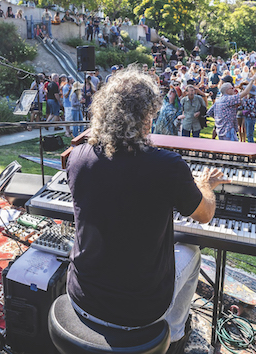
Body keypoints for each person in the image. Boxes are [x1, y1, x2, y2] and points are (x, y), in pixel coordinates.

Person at [66, 67, 228, 352]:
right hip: (137, 310)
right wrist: (205, 185)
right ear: (146, 116)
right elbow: (205, 214)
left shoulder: (77, 157)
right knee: (191, 251)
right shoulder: (167, 166)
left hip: (81, 295)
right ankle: (174, 336)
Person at [208, 76, 256, 141]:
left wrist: (220, 119)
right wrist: (252, 80)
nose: (234, 89)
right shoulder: (228, 99)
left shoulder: (219, 100)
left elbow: (210, 112)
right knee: (232, 150)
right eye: (232, 88)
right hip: (228, 130)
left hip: (220, 130)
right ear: (227, 90)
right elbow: (246, 92)